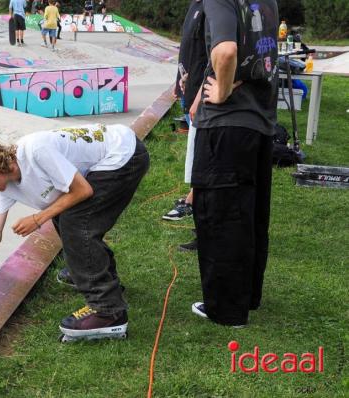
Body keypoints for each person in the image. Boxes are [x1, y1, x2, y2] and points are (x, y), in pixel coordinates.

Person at [0, 124, 149, 341]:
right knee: (63, 213)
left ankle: (108, 312)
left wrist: (37, 219)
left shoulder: (35, 151)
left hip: (123, 155)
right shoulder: (7, 186)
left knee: (74, 221)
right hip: (108, 159)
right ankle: (97, 275)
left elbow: (83, 190)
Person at [190, 0, 279, 327]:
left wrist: (223, 92)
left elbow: (226, 52)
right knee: (251, 215)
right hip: (259, 122)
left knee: (221, 217)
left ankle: (227, 310)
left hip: (226, 126)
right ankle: (247, 296)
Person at [162, 0, 207, 255]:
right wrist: (179, 82)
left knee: (203, 162)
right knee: (196, 160)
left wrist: (200, 96)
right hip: (190, 90)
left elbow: (214, 55)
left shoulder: (215, 7)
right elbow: (188, 50)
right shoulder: (196, 6)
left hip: (204, 96)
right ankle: (196, 210)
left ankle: (205, 230)